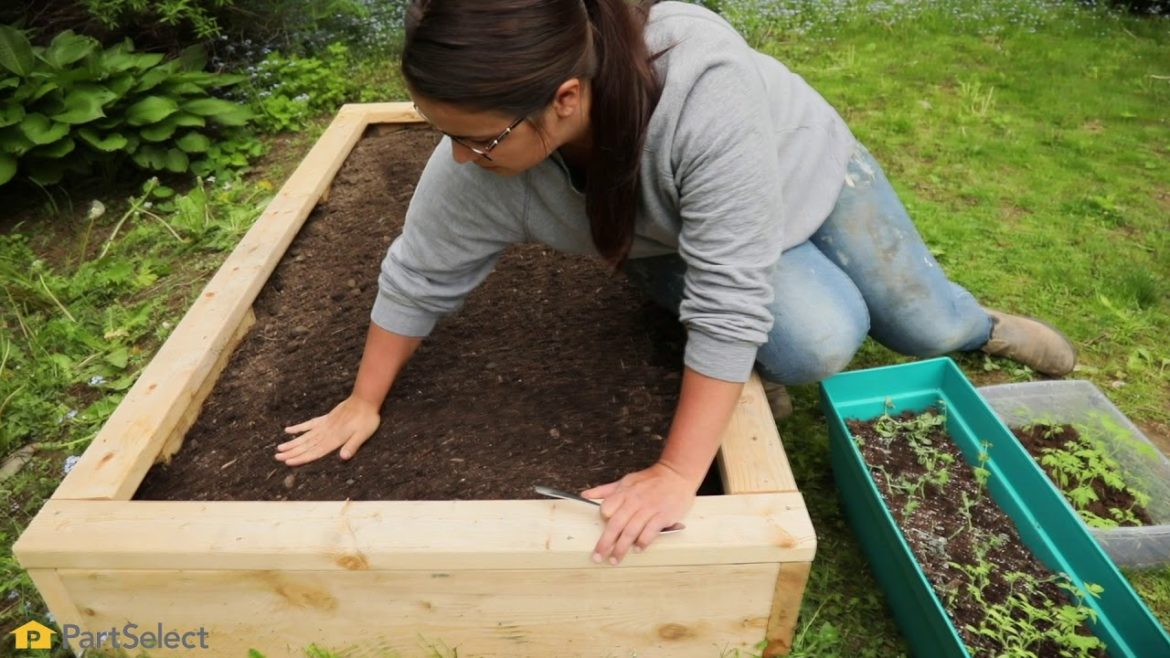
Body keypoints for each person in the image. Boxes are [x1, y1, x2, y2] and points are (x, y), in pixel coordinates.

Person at [275, 0, 1076, 564]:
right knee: (818, 338)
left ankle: (980, 329)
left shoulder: (702, 90)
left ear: (564, 98)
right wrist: (364, 399)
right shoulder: (485, 164)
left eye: (476, 139)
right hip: (675, 238)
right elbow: (418, 271)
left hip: (799, 173)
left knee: (921, 325)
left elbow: (729, 300)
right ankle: (751, 366)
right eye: (442, 133)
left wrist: (674, 474)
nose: (456, 158)